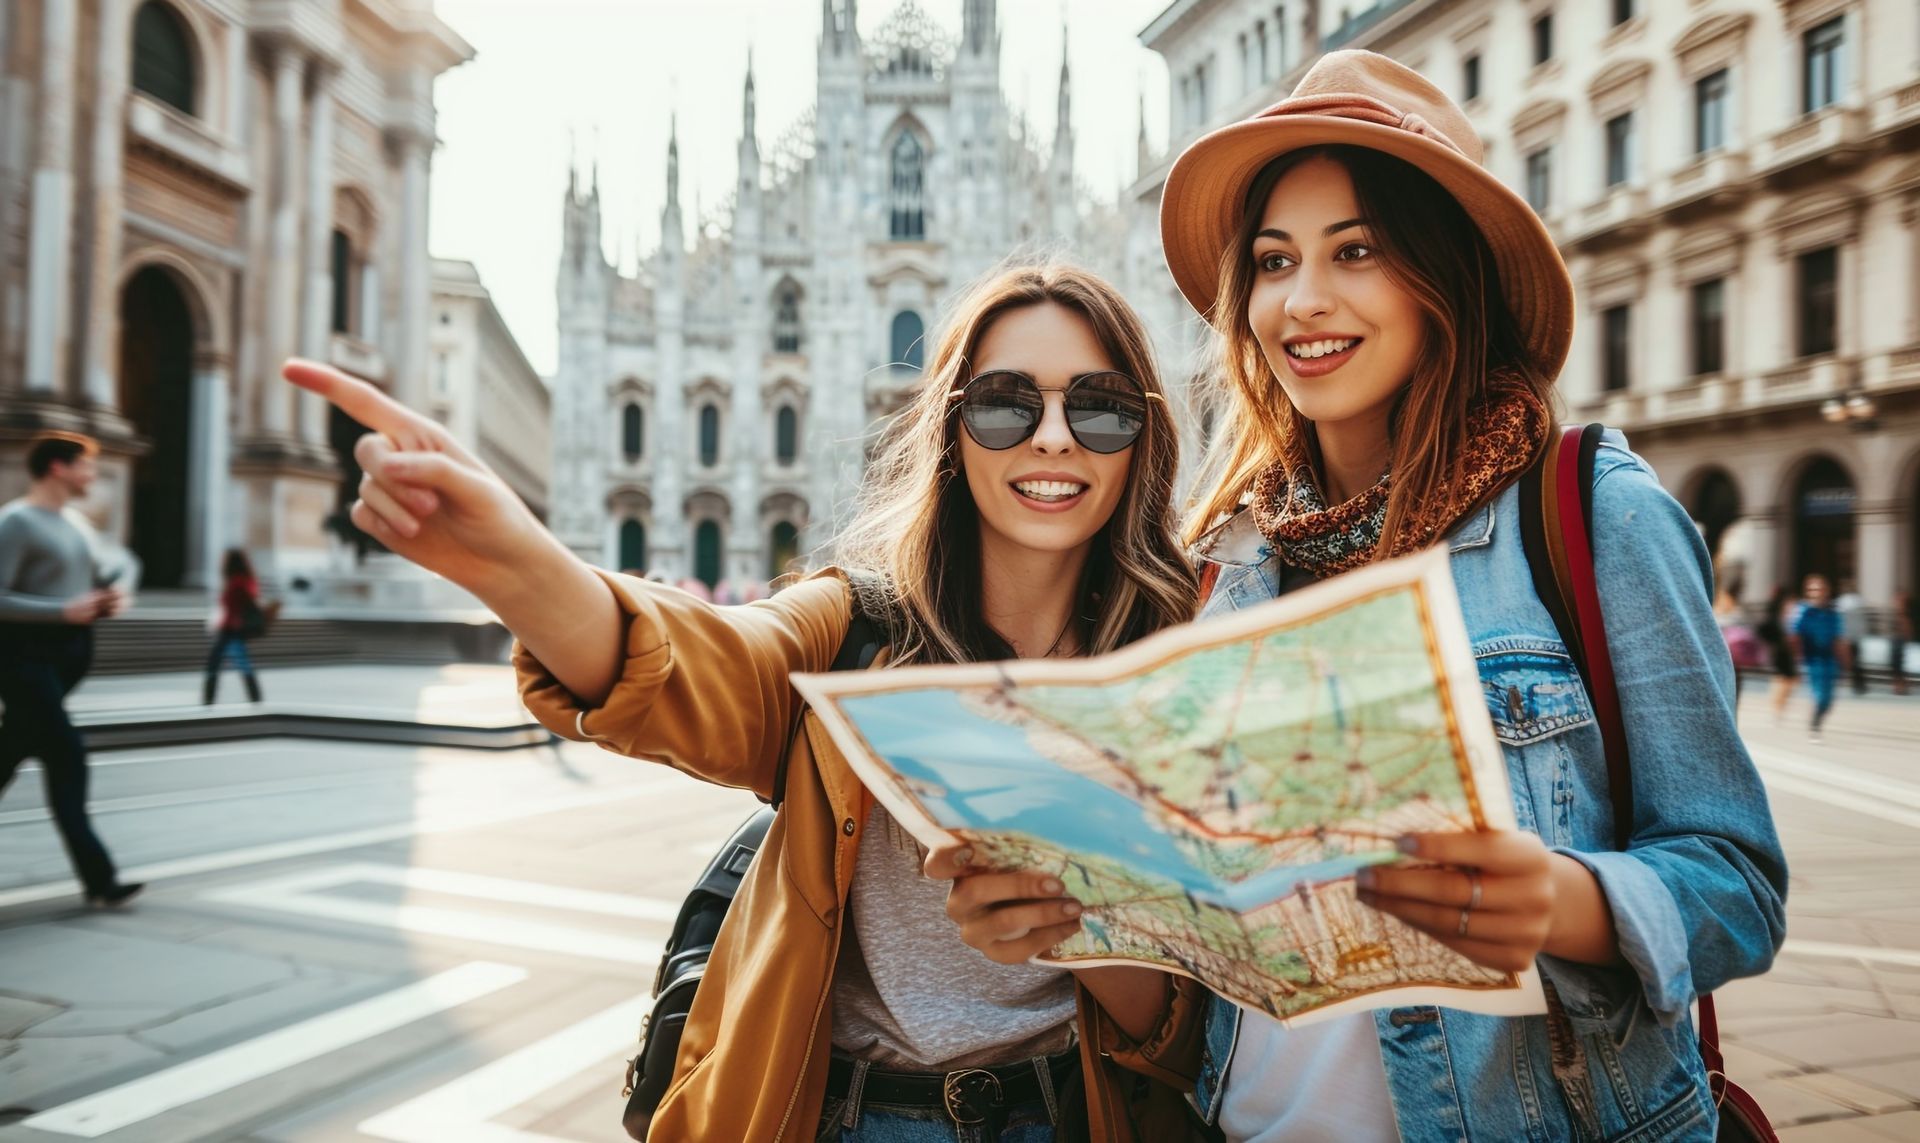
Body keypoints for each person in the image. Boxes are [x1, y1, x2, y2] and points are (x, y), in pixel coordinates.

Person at [951, 52, 1788, 1141]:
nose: (1303, 301)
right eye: (1272, 260)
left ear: (1445, 276)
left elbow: (1738, 885)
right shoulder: (1232, 562)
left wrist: (1564, 902)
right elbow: (1213, 991)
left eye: (1357, 251)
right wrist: (1074, 921)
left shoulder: (1590, 514)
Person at [284, 264, 1207, 1142]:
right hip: (847, 1118)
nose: (1052, 437)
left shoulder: (1181, 670)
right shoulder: (855, 628)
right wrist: (519, 566)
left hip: (1073, 1117)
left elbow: (1189, 1019)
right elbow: (705, 665)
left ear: (1144, 439)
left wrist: (1084, 922)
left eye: (1100, 407)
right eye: (1007, 404)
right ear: (951, 435)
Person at [0, 433, 144, 908]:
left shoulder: (78, 523)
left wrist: (108, 597)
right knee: (67, 758)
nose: (92, 476)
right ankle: (100, 879)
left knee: (14, 751)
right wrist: (63, 611)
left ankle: (99, 880)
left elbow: (95, 578)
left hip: (61, 665)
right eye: (85, 466)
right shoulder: (16, 522)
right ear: (57, 468)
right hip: (24, 661)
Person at [204, 548, 266, 705]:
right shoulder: (241, 579)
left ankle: (208, 701)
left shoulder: (238, 581)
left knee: (216, 664)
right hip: (231, 628)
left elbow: (240, 603)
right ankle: (255, 698)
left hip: (232, 629)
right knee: (240, 663)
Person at [1794, 573, 1844, 741]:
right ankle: (1814, 727)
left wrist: (1845, 658)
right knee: (1819, 695)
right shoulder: (1803, 611)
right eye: (1812, 589)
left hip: (1830, 660)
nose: (1816, 592)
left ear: (1826, 591)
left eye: (1819, 589)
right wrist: (1795, 658)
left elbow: (1838, 638)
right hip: (1812, 659)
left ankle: (1817, 721)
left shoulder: (1832, 613)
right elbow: (1794, 635)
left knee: (1828, 700)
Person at [1757, 584, 1800, 722]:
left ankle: (1777, 704)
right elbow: (1768, 628)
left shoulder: (1780, 608)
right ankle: (1776, 705)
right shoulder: (1775, 609)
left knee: (1786, 677)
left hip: (1783, 649)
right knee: (1786, 677)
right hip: (1779, 649)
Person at [1834, 579, 1868, 694]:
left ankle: (1840, 681)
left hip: (1846, 636)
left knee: (1844, 660)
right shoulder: (1859, 601)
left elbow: (1838, 620)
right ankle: (1858, 684)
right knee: (1856, 661)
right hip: (1856, 636)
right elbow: (1863, 620)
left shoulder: (1841, 602)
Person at [1894, 588, 1915, 696]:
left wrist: (1907, 638)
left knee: (1900, 664)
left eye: (1900, 600)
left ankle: (1902, 686)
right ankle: (1901, 686)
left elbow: (1907, 630)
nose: (1896, 602)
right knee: (1899, 664)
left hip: (1902, 641)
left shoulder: (1905, 615)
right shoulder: (1902, 614)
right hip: (1899, 639)